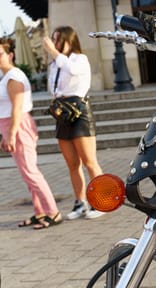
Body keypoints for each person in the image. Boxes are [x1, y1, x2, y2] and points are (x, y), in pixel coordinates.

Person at [43, 26, 105, 220]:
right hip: (62, 110)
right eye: (53, 40)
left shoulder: (79, 59)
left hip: (79, 110)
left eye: (58, 40)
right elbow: (53, 87)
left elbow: (72, 70)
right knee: (72, 163)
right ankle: (80, 203)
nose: (55, 44)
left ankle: (102, 201)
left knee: (89, 161)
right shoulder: (54, 63)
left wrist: (53, 53)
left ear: (70, 41)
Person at [0, 37, 62, 230]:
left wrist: (9, 135)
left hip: (18, 126)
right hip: (12, 126)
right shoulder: (6, 76)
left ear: (10, 55)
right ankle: (40, 211)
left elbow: (17, 109)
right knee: (27, 173)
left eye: (0, 53)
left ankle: (53, 212)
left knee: (30, 172)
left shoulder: (13, 77)